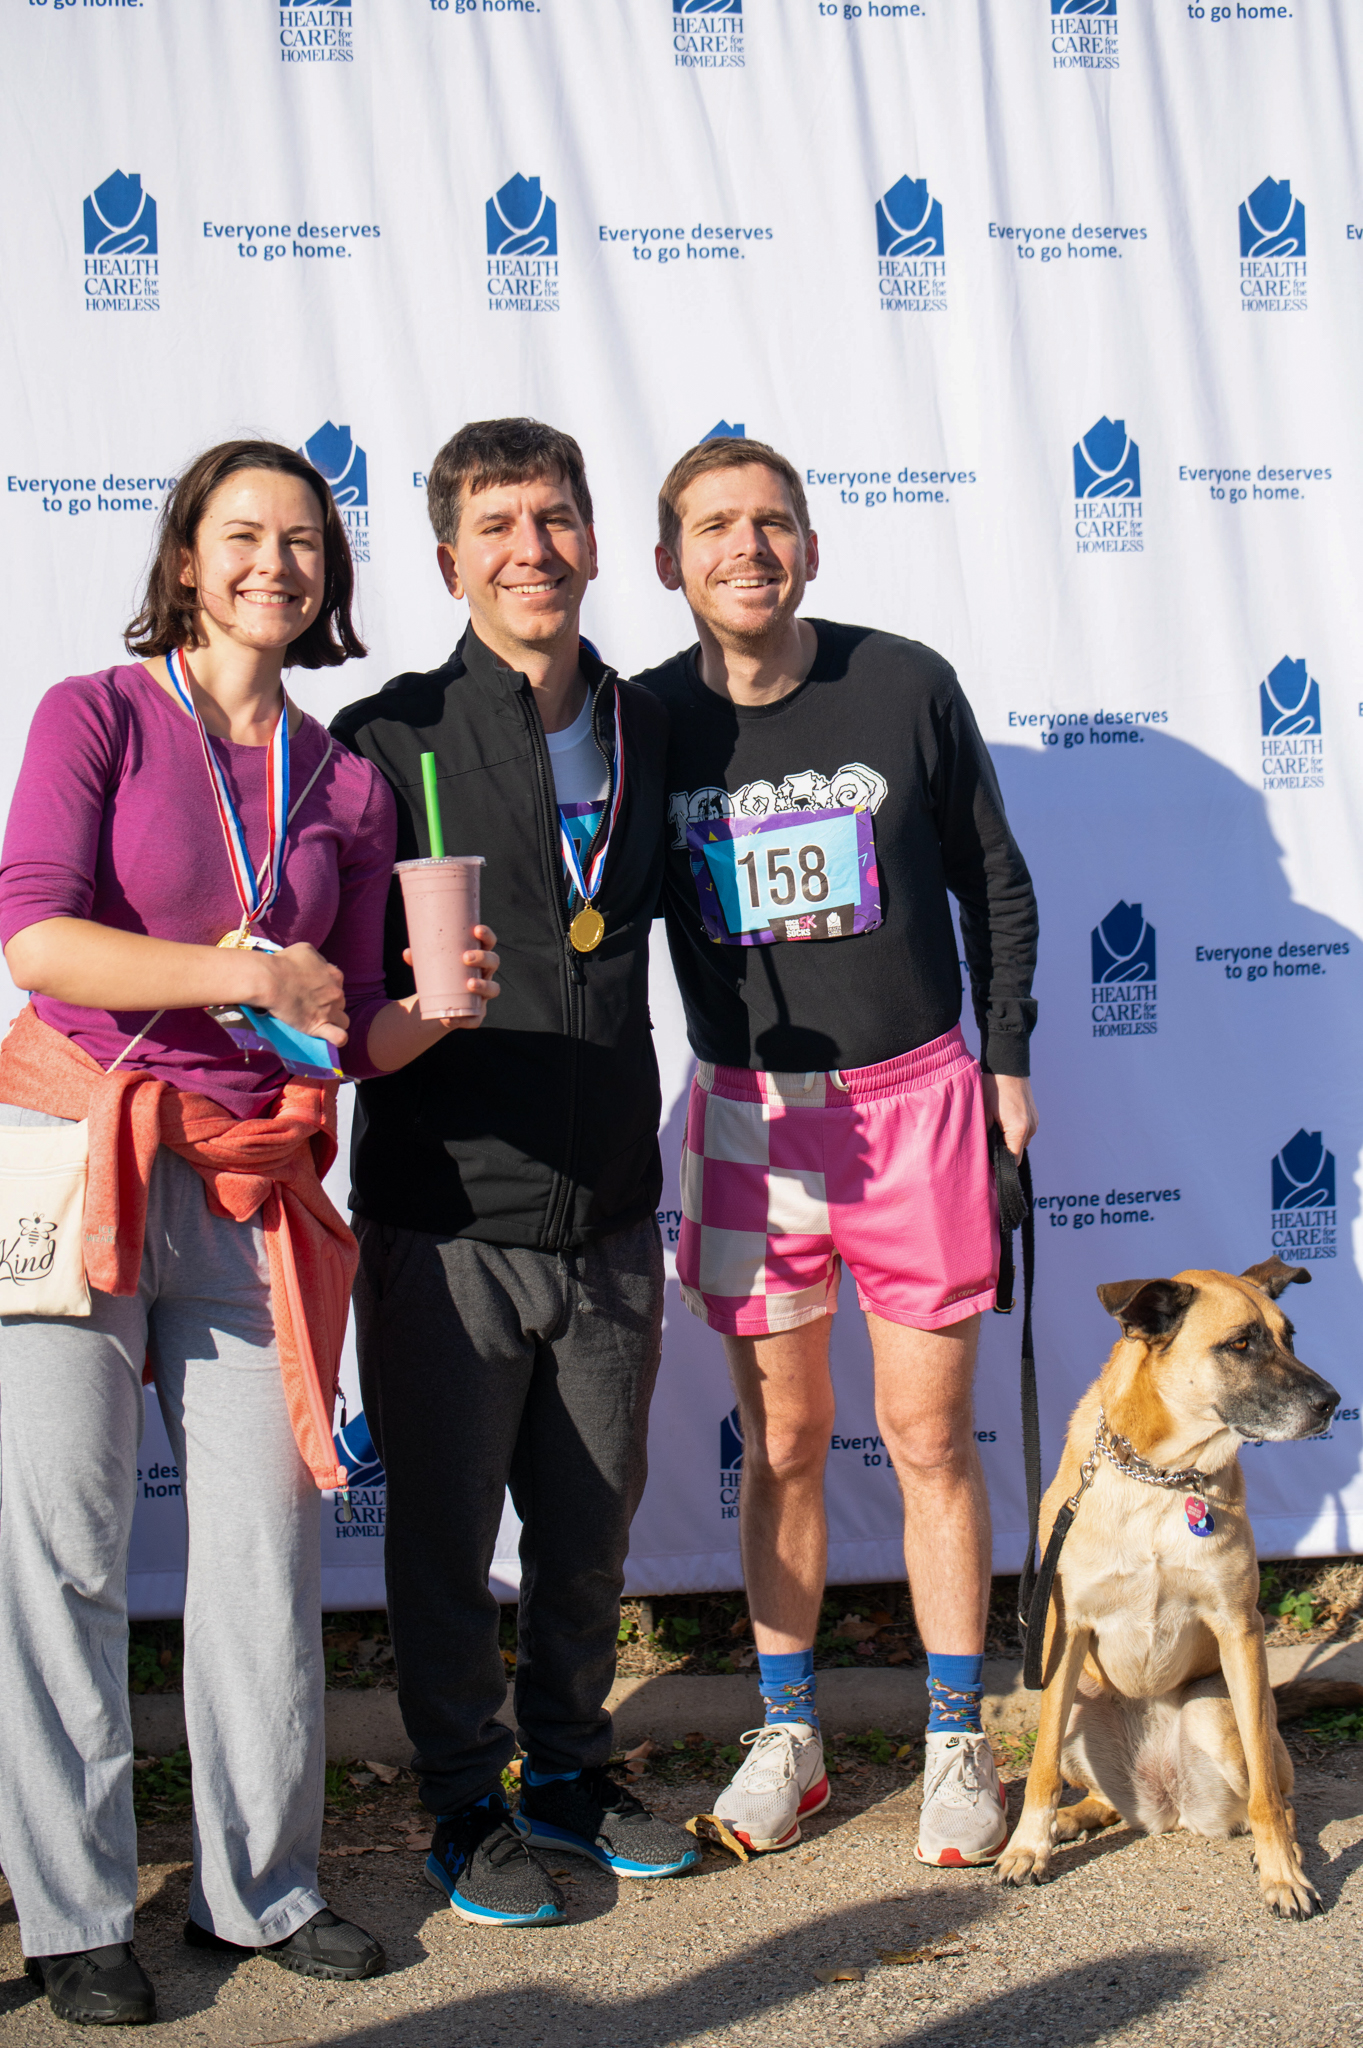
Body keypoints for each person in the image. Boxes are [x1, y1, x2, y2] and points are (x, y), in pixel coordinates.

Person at [0, 440, 499, 2026]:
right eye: (242, 535)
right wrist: (240, 977)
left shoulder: (345, 778)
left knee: (263, 1549)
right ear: (188, 559)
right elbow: (33, 928)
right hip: (76, 1144)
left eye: (301, 539)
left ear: (329, 577)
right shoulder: (96, 714)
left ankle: (258, 1888)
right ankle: (78, 1913)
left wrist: (433, 1014)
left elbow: (336, 1030)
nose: (273, 562)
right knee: (65, 1549)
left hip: (252, 1178)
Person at [636, 436, 1039, 1867]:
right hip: (748, 1119)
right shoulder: (642, 722)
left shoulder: (904, 682)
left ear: (811, 546)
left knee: (930, 1437)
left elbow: (993, 876)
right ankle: (791, 1732)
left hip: (914, 1101)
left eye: (772, 523)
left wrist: (1007, 1059)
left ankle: (953, 1737)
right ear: (669, 561)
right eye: (715, 527)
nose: (747, 547)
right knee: (788, 1441)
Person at [331, 417, 697, 1931]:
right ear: (446, 560)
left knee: (591, 1520)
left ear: (597, 541)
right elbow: (327, 992)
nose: (530, 549)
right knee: (439, 1532)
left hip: (610, 1207)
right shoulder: (382, 741)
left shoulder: (661, 729)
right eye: (495, 526)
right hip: (445, 1213)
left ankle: (566, 1764)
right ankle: (464, 1800)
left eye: (553, 518)